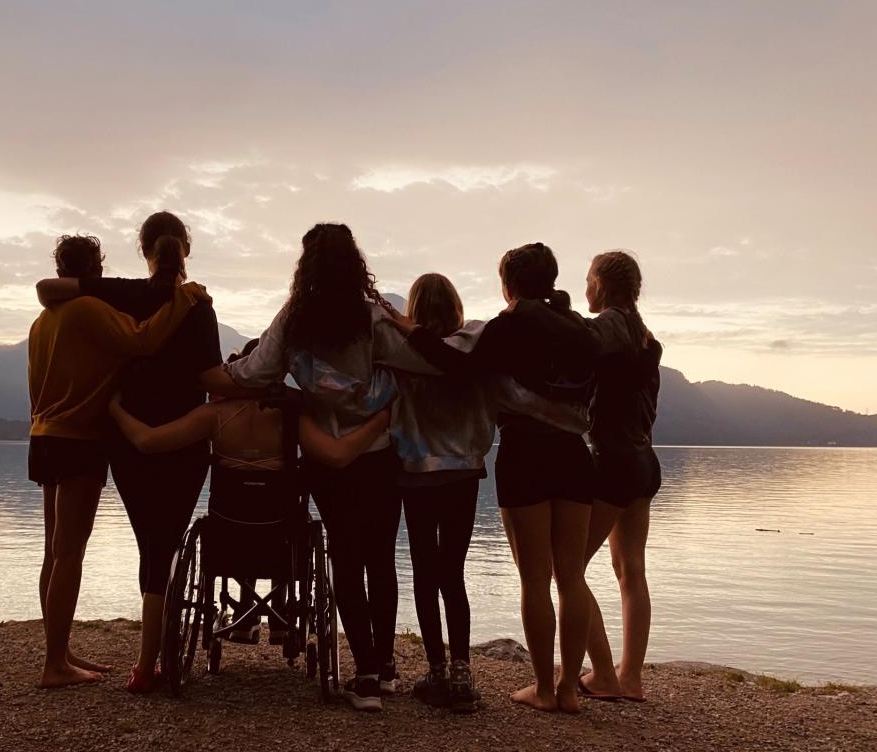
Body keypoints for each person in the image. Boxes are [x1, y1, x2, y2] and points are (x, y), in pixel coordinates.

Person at [216, 223, 438, 712]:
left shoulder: (294, 320)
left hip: (327, 460)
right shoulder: (373, 320)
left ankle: (365, 675)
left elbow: (254, 372)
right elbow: (424, 363)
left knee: (346, 559)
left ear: (306, 266)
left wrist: (213, 374)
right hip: (379, 454)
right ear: (355, 263)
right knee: (381, 559)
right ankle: (385, 668)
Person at [390, 243, 600, 713]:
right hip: (574, 455)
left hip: (524, 454)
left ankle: (541, 687)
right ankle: (569, 689)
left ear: (508, 284)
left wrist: (407, 329)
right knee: (571, 577)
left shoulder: (505, 329)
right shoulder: (580, 329)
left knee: (534, 580)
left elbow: (456, 365)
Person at [35, 211, 225, 694]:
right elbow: (145, 342)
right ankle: (64, 662)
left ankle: (59, 650)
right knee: (76, 553)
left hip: (63, 435)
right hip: (99, 437)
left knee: (57, 550)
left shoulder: (51, 318)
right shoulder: (99, 308)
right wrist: (185, 300)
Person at [109, 340, 390, 646]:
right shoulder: (291, 417)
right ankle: (280, 616)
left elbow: (147, 441)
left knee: (240, 523)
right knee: (290, 518)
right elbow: (338, 455)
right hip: (280, 532)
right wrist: (380, 421)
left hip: (228, 529)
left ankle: (245, 613)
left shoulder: (214, 414)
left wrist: (114, 410)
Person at [577, 251, 662, 704]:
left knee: (566, 568)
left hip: (612, 462)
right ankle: (631, 678)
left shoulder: (607, 326)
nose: (585, 288)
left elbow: (575, 346)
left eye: (588, 280)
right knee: (631, 571)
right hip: (644, 461)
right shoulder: (644, 336)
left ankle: (605, 675)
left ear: (602, 284)